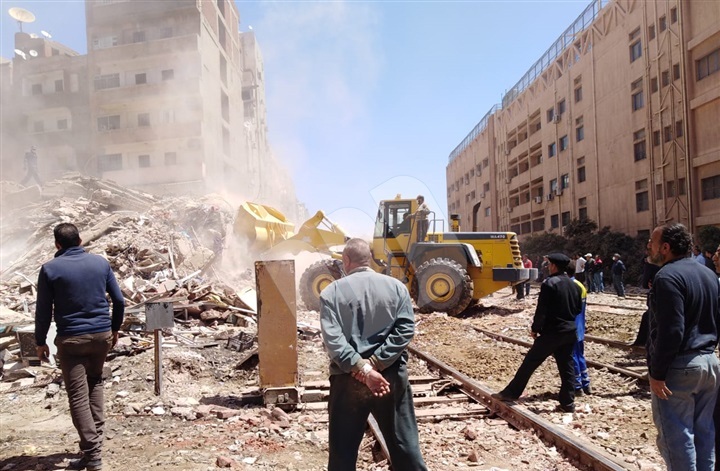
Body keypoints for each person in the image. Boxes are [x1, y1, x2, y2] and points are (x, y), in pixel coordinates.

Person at [319, 238, 427, 471]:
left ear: (346, 260)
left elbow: (333, 340)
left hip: (349, 379)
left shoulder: (331, 292)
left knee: (342, 452)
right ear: (368, 258)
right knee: (405, 446)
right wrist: (377, 363)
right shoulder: (396, 287)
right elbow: (405, 329)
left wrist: (363, 369)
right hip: (390, 378)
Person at [34, 223, 125, 471]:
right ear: (80, 240)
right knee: (95, 383)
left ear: (57, 245)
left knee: (77, 396)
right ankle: (94, 446)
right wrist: (114, 328)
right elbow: (119, 300)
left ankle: (92, 454)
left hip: (72, 340)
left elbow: (43, 311)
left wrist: (40, 342)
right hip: (102, 336)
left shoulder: (50, 269)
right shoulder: (100, 263)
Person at [646, 223, 720, 470]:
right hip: (709, 363)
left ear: (665, 248)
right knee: (704, 434)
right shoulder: (708, 274)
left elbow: (671, 330)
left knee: (677, 439)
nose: (649, 246)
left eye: (652, 242)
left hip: (680, 367)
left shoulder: (666, 277)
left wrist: (657, 373)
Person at [492, 253, 582, 413]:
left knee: (530, 363)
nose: (548, 267)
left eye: (549, 264)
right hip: (569, 332)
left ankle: (511, 392)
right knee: (566, 367)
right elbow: (577, 309)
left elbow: (542, 311)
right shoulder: (575, 285)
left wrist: (535, 329)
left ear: (554, 266)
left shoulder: (549, 284)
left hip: (552, 333)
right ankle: (568, 403)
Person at [566, 263, 591, 395]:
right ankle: (586, 383)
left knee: (572, 356)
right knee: (580, 355)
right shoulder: (580, 285)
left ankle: (577, 386)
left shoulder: (569, 286)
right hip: (580, 326)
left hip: (572, 327)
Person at [629, 258, 660, 347]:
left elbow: (645, 283)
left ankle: (644, 342)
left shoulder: (651, 264)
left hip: (656, 294)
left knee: (650, 317)